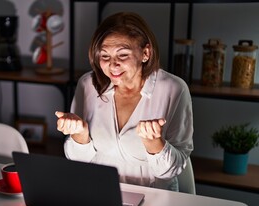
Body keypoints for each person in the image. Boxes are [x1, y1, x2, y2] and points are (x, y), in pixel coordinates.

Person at [55, 12, 193, 191]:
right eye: (105, 56)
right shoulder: (88, 84)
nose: (112, 65)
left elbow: (172, 170)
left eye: (122, 55)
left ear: (145, 53)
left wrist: (154, 143)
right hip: (98, 191)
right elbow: (79, 160)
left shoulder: (174, 89)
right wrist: (80, 135)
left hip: (153, 196)